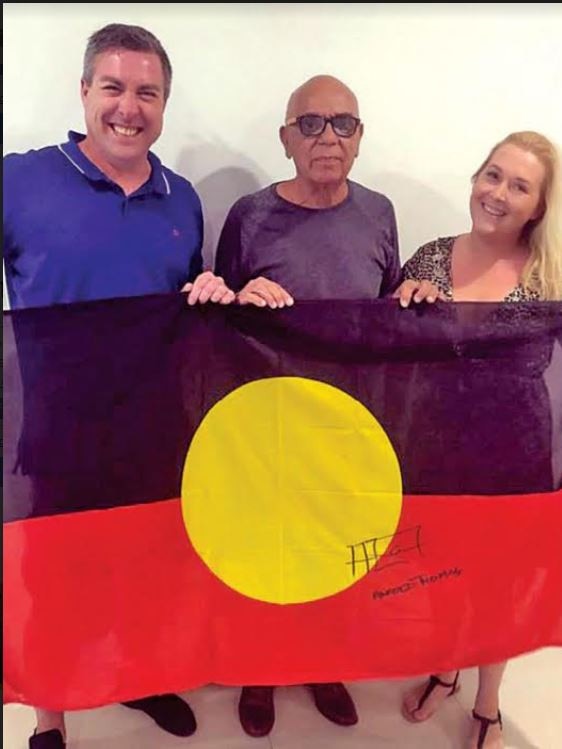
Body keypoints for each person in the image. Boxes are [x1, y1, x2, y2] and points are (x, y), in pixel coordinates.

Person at [3, 23, 234, 749]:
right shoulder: (19, 179)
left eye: (147, 92)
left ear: (164, 104)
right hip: (54, 428)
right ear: (84, 92)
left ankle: (140, 677)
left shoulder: (182, 199)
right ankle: (49, 717)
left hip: (152, 428)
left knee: (144, 569)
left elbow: (181, 299)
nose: (128, 108)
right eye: (113, 87)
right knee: (52, 581)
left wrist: (206, 289)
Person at [214, 73, 424, 737]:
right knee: (265, 554)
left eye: (342, 124)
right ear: (286, 138)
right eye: (310, 123)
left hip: (350, 426)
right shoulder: (249, 216)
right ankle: (260, 670)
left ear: (360, 139)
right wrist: (240, 297)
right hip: (269, 422)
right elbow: (219, 317)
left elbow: (386, 307)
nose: (327, 137)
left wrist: (412, 297)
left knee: (335, 557)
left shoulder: (381, 212)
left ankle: (322, 662)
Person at [399, 130, 562, 749]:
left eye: (519, 186)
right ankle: (446, 667)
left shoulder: (553, 275)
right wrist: (405, 302)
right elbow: (394, 347)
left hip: (512, 452)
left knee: (499, 586)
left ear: (539, 207)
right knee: (443, 572)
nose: (498, 193)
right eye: (492, 175)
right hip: (437, 447)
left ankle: (488, 704)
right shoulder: (428, 256)